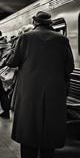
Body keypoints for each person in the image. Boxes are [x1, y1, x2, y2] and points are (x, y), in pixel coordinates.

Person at [6, 11, 74, 158]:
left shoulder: (25, 38)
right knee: (50, 131)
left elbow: (11, 61)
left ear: (35, 22)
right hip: (54, 92)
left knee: (28, 128)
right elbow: (70, 67)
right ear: (50, 23)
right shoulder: (62, 39)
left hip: (29, 91)